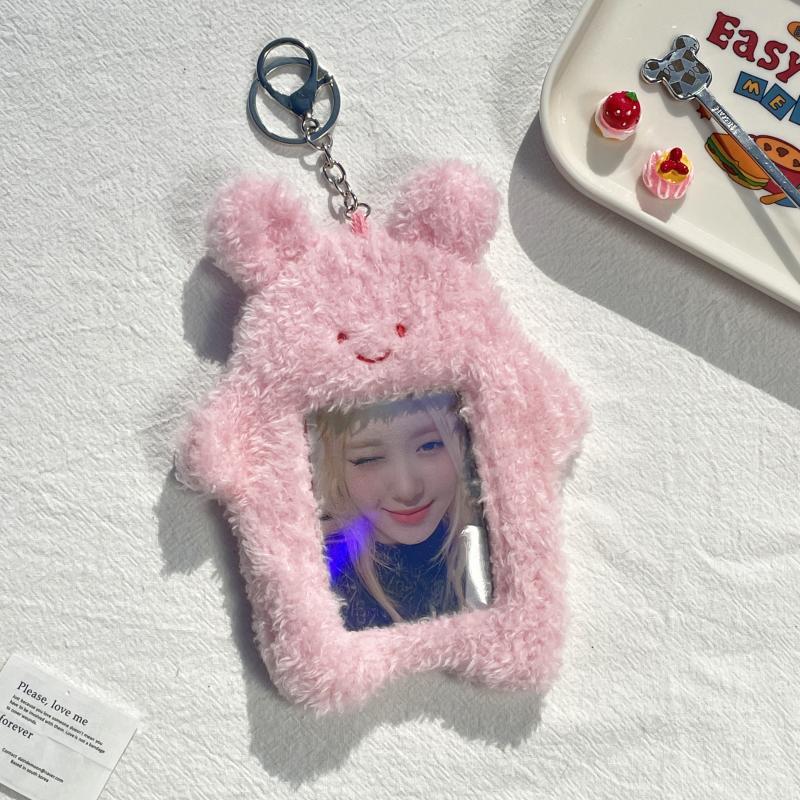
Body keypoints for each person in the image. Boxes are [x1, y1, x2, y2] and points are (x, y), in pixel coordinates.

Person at [309, 392, 478, 631]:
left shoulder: (483, 540)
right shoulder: (323, 573)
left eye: (430, 445)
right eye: (368, 459)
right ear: (334, 467)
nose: (407, 490)